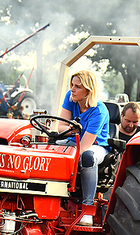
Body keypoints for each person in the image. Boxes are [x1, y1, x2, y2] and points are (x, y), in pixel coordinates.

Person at [59, 70, 110, 226]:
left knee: (87, 157)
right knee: (49, 150)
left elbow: (85, 145)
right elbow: (60, 126)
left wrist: (70, 134)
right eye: (72, 85)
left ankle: (88, 209)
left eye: (78, 87)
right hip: (72, 141)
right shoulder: (70, 97)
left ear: (88, 90)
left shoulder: (99, 111)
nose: (73, 90)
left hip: (96, 146)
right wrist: (70, 129)